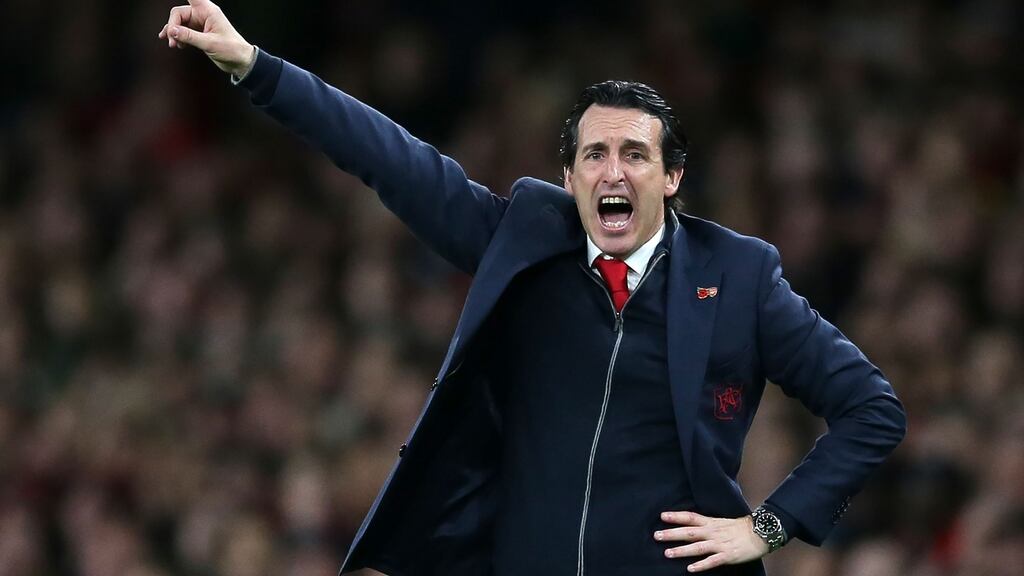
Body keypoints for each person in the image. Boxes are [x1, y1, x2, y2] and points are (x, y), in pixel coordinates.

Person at [159, 2, 907, 574]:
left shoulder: (739, 277)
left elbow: (871, 408)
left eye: (635, 155)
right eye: (593, 154)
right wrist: (252, 65)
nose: (613, 171)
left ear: (672, 178)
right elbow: (390, 158)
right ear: (569, 178)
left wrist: (768, 525)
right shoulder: (526, 241)